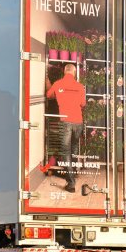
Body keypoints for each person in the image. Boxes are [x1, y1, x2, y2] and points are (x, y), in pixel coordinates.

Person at [46, 64, 86, 193]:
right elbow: (83, 104)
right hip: (78, 122)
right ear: (74, 73)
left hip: (66, 122)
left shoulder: (58, 84)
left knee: (65, 152)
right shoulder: (80, 86)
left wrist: (48, 82)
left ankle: (71, 183)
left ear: (64, 72)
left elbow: (49, 95)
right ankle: (72, 174)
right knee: (73, 148)